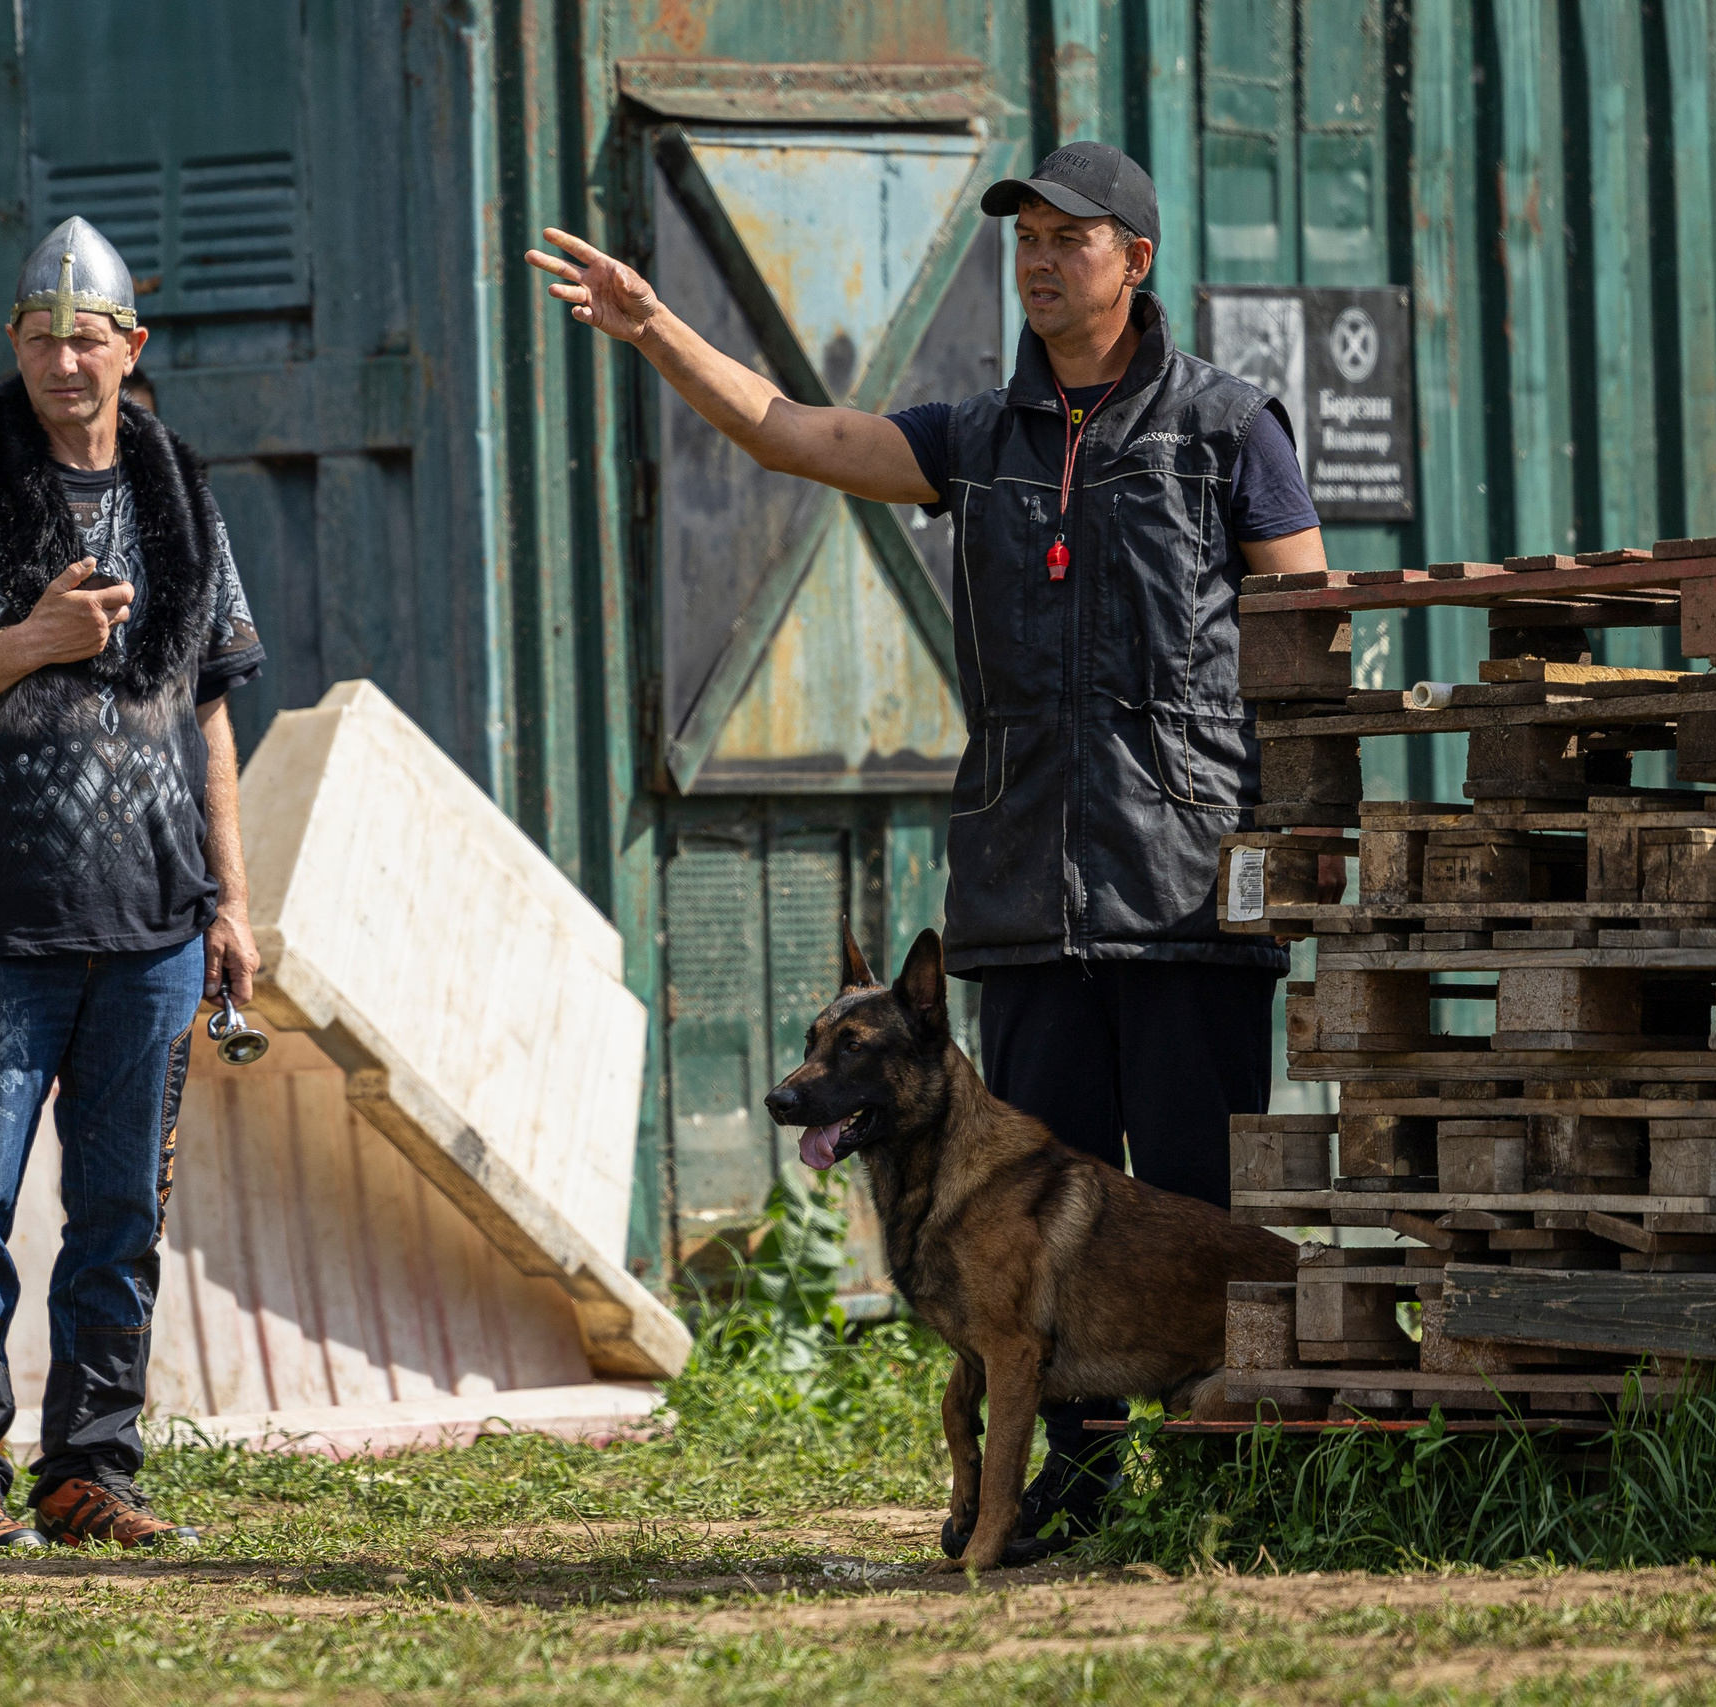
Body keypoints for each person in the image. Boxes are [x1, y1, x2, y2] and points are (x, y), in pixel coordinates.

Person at [526, 141, 1325, 1560]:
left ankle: (1244, 1491)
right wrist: (657, 329)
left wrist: (1296, 843)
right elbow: (786, 428)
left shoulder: (1226, 425)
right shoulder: (979, 437)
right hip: (1023, 899)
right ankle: (1069, 1505)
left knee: (1206, 1219)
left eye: (1068, 237)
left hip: (1195, 890)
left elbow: (1306, 629)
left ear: (1135, 259)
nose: (1035, 258)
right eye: (1021, 237)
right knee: (1033, 1236)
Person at [0, 215, 263, 1551]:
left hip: (153, 921)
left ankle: (92, 1468)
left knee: (120, 1209)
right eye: (43, 336)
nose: (68, 359)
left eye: (90, 336)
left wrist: (233, 901)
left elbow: (210, 713)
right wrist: (26, 638)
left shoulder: (183, 496)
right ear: (14, 349)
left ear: (131, 347)